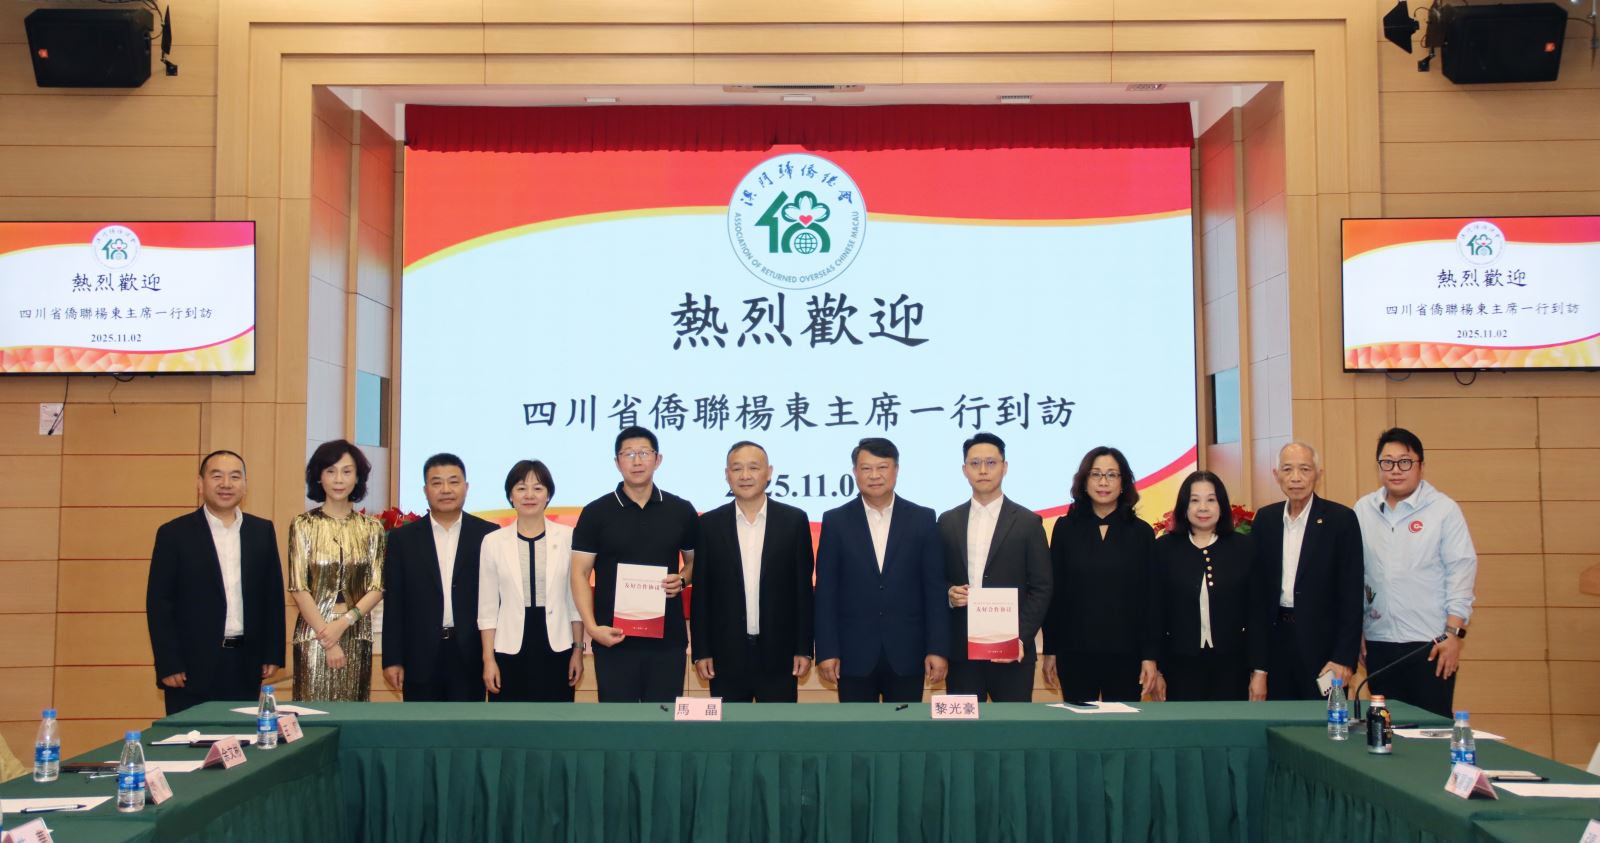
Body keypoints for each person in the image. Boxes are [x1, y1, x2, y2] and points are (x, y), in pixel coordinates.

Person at [146, 450, 285, 715]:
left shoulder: (261, 531)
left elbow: (272, 596)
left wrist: (272, 653)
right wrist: (168, 662)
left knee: (242, 737)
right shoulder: (173, 533)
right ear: (200, 484)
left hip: (246, 662)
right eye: (217, 476)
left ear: (245, 485)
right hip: (189, 667)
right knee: (191, 737)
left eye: (235, 477)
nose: (226, 484)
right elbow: (159, 603)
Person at [1355, 427, 1477, 719]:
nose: (1396, 470)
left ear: (1421, 465)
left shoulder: (1443, 510)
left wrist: (1453, 634)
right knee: (1384, 728)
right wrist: (1356, 630)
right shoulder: (1363, 509)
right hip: (1379, 642)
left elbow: (1461, 570)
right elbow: (1354, 575)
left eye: (1405, 462)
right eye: (1387, 462)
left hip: (1431, 643)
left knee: (1431, 729)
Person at [815, 437, 949, 703]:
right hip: (852, 655)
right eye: (866, 468)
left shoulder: (922, 519)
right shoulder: (835, 521)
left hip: (908, 653)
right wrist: (827, 650)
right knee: (856, 728)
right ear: (855, 472)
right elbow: (826, 592)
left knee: (905, 727)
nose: (874, 475)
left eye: (882, 467)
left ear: (896, 470)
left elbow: (934, 590)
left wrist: (937, 648)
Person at [570, 426, 698, 702]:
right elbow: (579, 573)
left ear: (658, 459)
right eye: (628, 454)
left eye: (644, 453)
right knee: (618, 722)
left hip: (667, 640)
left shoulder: (681, 510)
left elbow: (694, 562)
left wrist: (682, 579)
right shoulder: (595, 512)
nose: (637, 461)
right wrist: (592, 628)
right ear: (617, 462)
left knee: (663, 720)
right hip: (613, 638)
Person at [690, 441, 815, 702]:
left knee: (777, 726)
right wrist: (701, 651)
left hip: (780, 654)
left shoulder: (794, 521)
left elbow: (803, 591)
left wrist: (804, 648)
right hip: (725, 655)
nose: (745, 476)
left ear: (769, 472)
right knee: (729, 727)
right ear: (727, 475)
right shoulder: (708, 525)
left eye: (753, 468)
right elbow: (702, 593)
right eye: (737, 469)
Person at [1041, 446, 1160, 703]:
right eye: (1095, 474)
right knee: (1079, 725)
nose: (1103, 482)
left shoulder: (1141, 532)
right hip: (1075, 652)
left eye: (1112, 475)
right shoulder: (1065, 528)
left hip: (1127, 654)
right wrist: (1050, 650)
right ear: (1084, 482)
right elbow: (1055, 594)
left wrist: (1149, 656)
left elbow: (1150, 598)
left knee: (1123, 726)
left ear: (1123, 483)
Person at [939, 432, 1052, 702]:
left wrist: (1020, 638)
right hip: (962, 653)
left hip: (1013, 652)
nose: (983, 470)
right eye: (975, 463)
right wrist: (949, 593)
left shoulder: (1028, 522)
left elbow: (1042, 586)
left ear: (1005, 467)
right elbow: (935, 577)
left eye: (991, 463)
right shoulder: (947, 521)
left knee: (1013, 725)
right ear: (964, 470)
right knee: (963, 725)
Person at [1251, 442, 1364, 700]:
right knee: (1277, 718)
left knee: (1323, 719)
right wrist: (1259, 666)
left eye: (1304, 469)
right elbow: (1257, 598)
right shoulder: (1265, 520)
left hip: (1324, 650)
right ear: (1276, 475)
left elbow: (1351, 594)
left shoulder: (1340, 520)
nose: (1296, 478)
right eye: (1287, 469)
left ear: (1318, 474)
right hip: (1277, 644)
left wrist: (1343, 658)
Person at [381, 453, 497, 701]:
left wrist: (492, 656)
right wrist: (392, 659)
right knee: (420, 724)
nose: (446, 490)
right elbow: (394, 602)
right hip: (419, 655)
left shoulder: (488, 535)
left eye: (453, 482)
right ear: (425, 490)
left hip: (470, 653)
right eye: (437, 483)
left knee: (468, 723)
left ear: (466, 487)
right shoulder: (403, 539)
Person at [1151, 470, 1265, 702]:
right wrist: (1157, 669)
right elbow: (1154, 613)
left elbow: (1257, 614)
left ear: (1221, 505)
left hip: (1233, 666)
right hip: (1179, 666)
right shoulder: (1164, 549)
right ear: (1184, 506)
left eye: (1211, 500)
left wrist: (1260, 670)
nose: (1203, 508)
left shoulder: (1244, 548)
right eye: (1195, 500)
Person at [288, 439, 386, 702]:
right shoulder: (303, 524)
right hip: (314, 635)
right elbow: (299, 588)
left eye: (346, 471)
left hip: (356, 632)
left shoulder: (372, 528)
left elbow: (377, 587)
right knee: (312, 713)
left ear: (358, 477)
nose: (338, 479)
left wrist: (343, 623)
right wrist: (327, 636)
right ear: (319, 477)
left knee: (354, 714)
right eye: (330, 471)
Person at [479, 460, 585, 701]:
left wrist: (578, 650)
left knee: (556, 717)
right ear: (510, 496)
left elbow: (574, 602)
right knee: (509, 719)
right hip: (509, 646)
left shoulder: (569, 537)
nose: (529, 495)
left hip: (557, 644)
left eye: (537, 488)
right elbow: (487, 608)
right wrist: (488, 659)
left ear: (548, 495)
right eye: (521, 488)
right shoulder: (493, 541)